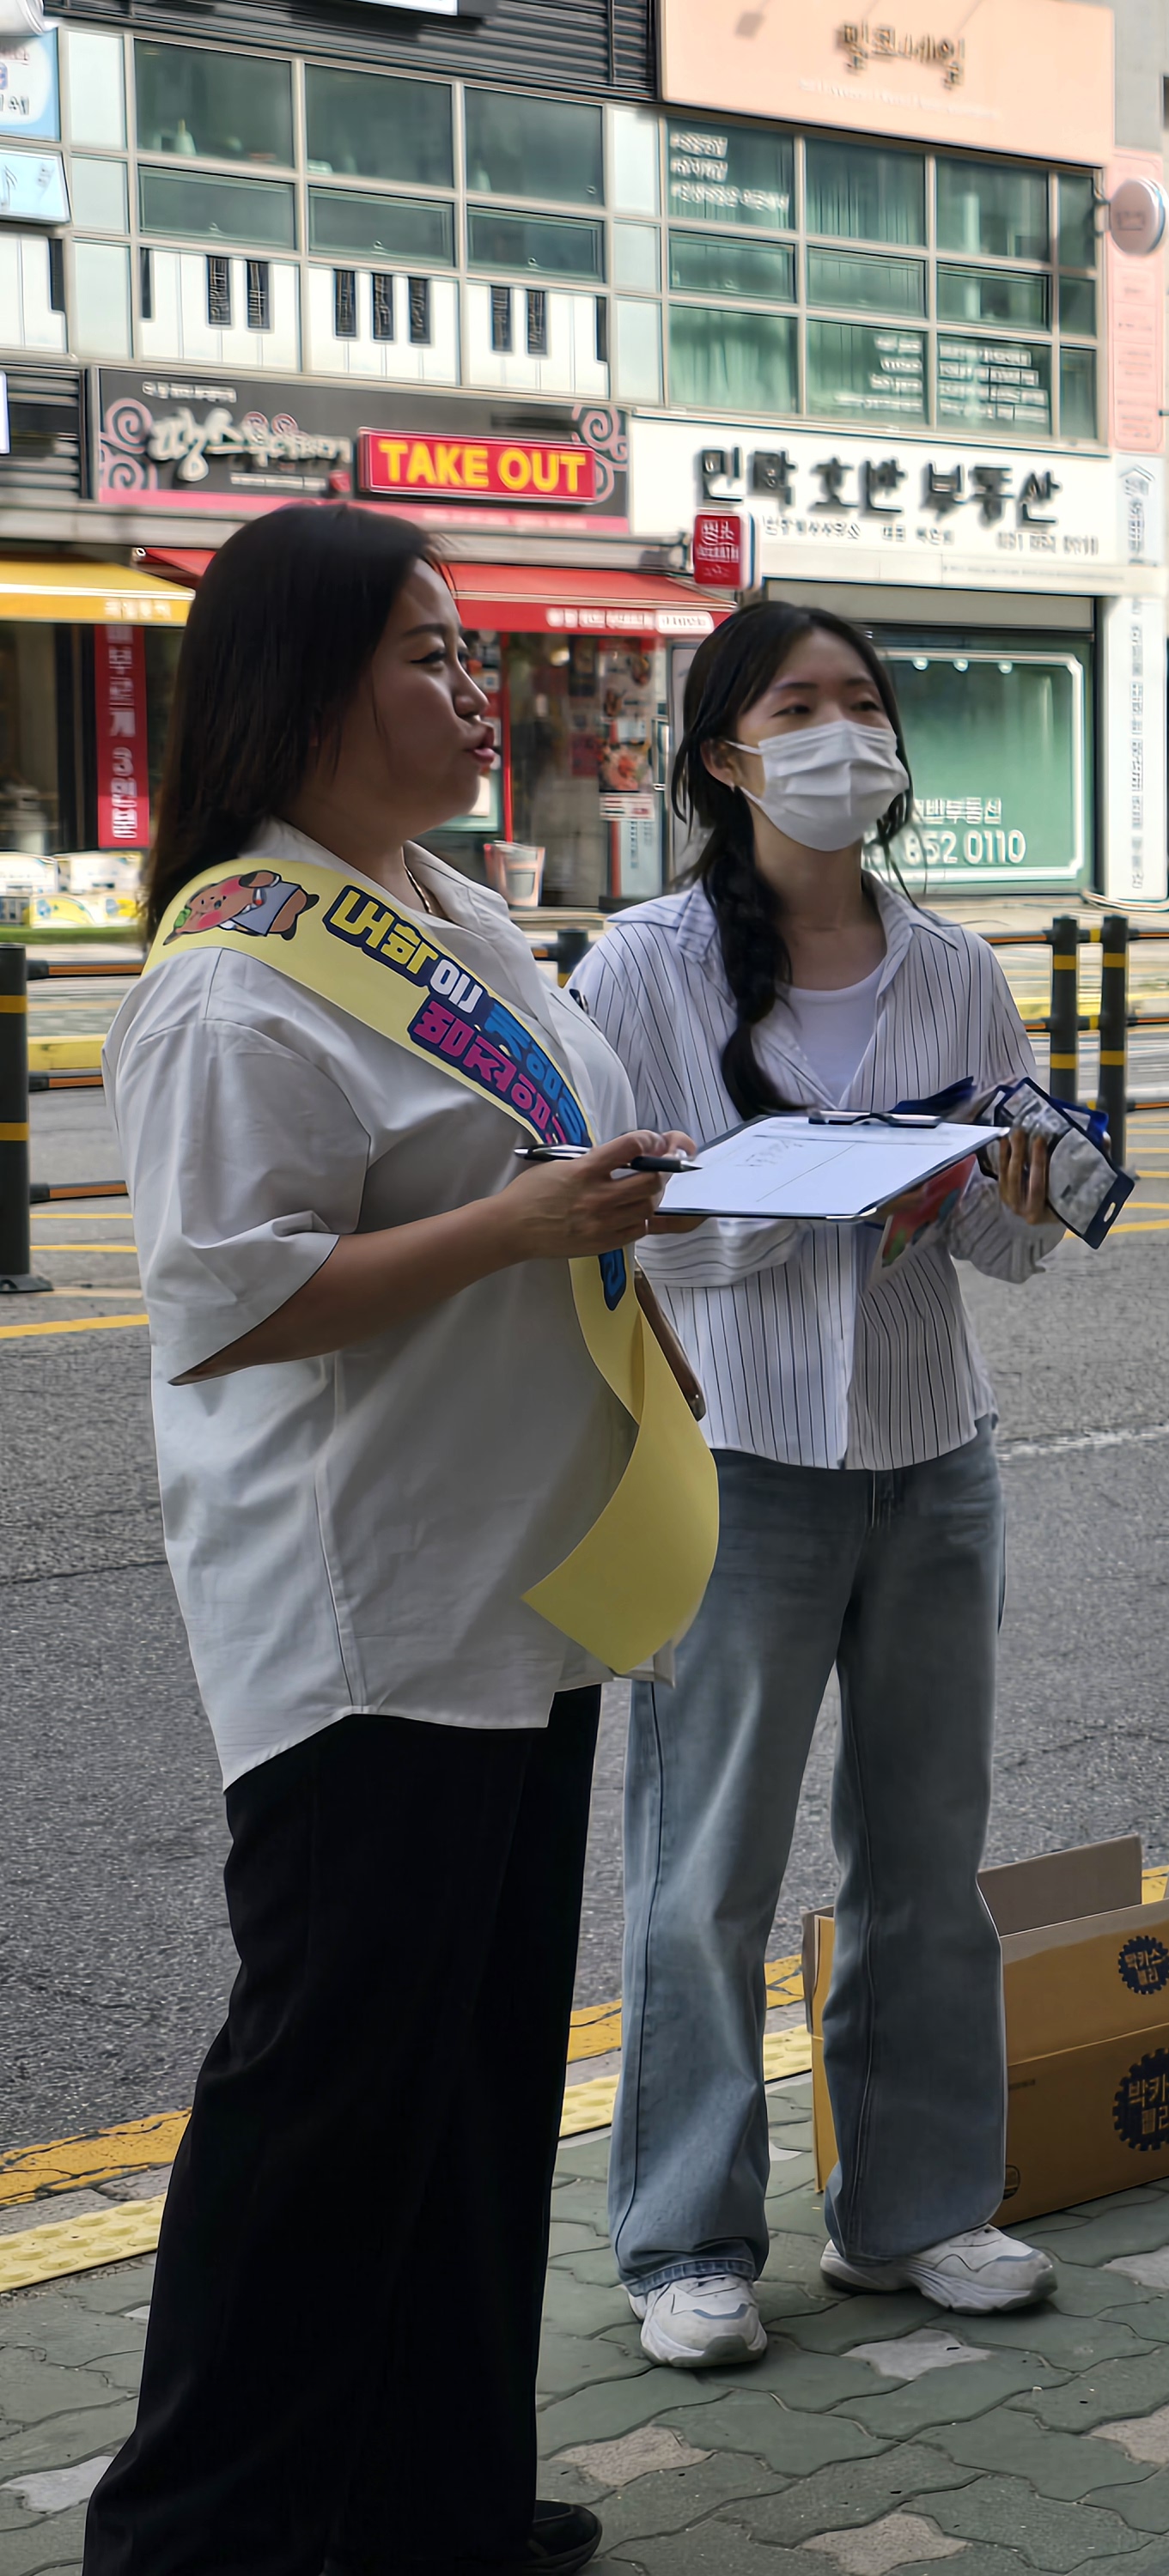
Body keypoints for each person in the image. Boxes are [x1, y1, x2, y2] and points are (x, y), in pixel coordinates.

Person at [92, 505, 703, 2576]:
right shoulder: (232, 970)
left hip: (521, 1583)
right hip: (367, 1615)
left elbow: (536, 1178)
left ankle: (430, 2499)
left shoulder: (451, 908)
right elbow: (232, 1296)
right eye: (430, 656)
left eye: (474, 653)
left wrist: (619, 1239)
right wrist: (525, 1222)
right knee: (325, 2110)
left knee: (470, 2091)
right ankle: (200, 2536)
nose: (474, 690)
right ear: (309, 680)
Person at [570, 602, 1068, 2368]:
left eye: (866, 704)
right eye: (802, 706)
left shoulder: (956, 969)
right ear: (726, 754)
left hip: (935, 1459)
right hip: (737, 1469)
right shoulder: (637, 974)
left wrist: (1010, 1188)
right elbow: (598, 1241)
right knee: (703, 1870)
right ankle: (687, 2239)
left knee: (926, 1855)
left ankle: (918, 2210)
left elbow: (1012, 1260)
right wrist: (801, 1196)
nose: (844, 734)